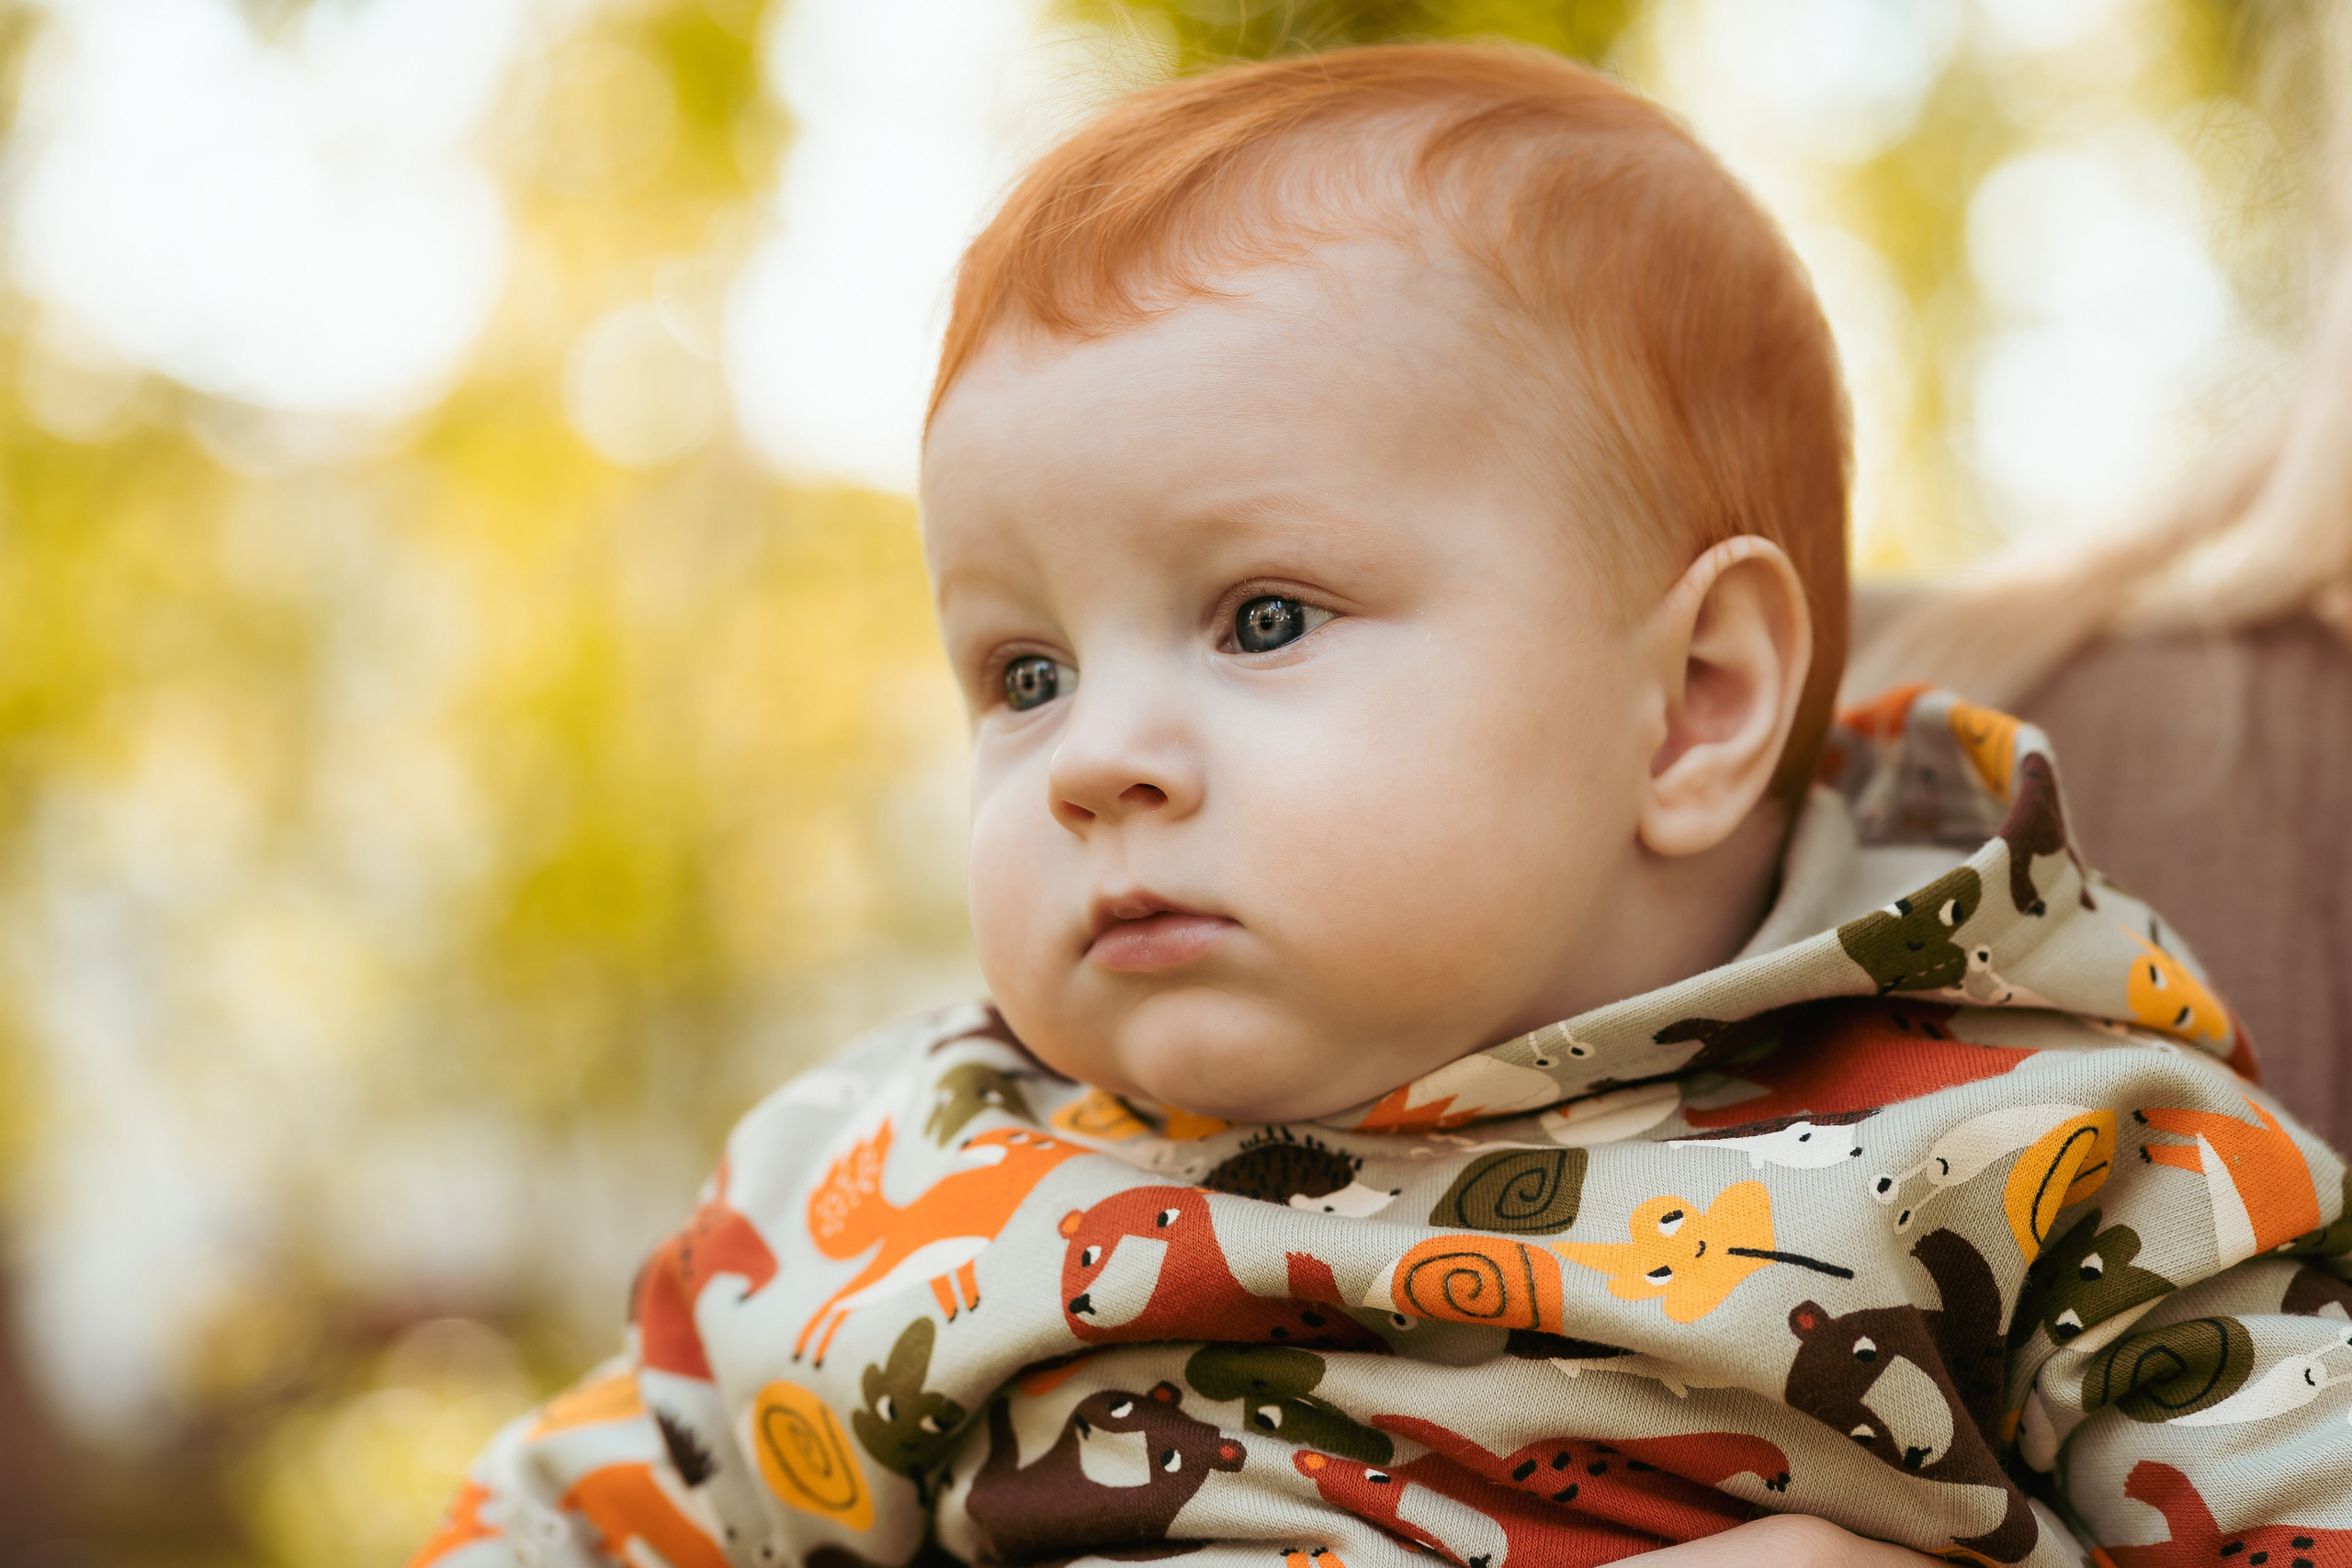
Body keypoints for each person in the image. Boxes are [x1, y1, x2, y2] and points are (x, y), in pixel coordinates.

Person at [412, 44, 2351, 1568]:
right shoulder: (889, 1184)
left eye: (1261, 618)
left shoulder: (2047, 1140)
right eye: (1022, 673)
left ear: (1689, 703)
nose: (1095, 756)